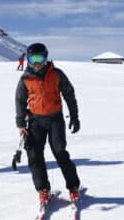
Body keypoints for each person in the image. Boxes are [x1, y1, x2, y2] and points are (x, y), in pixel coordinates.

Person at [15, 43, 81, 206]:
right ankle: (43, 189)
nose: (37, 63)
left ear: (46, 58)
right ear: (28, 60)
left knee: (60, 152)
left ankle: (73, 186)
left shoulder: (57, 74)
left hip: (55, 119)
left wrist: (74, 116)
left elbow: (69, 94)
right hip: (36, 121)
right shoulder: (25, 79)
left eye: (40, 58)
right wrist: (21, 123)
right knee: (34, 155)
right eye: (33, 59)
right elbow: (20, 101)